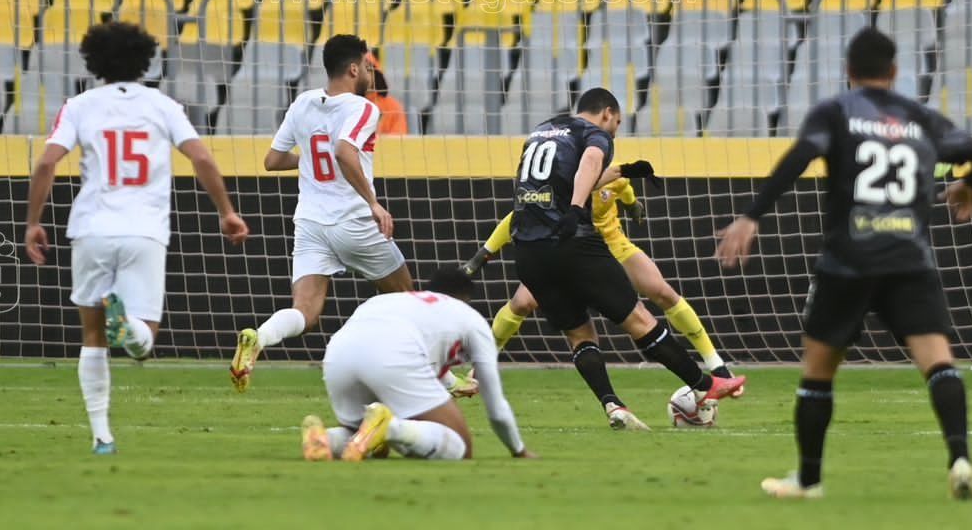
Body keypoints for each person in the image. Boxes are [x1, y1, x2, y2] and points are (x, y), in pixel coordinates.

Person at [715, 26, 972, 501]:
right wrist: (969, 183)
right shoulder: (922, 118)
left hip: (848, 261)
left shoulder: (837, 112)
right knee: (938, 362)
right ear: (895, 71)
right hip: (911, 259)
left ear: (849, 71)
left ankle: (808, 479)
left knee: (818, 370)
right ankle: (960, 457)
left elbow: (799, 158)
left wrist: (751, 216)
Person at [24, 20, 250, 455]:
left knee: (91, 338)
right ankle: (127, 326)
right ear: (145, 59)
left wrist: (34, 221)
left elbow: (46, 164)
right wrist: (226, 211)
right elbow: (201, 156)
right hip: (144, 230)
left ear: (94, 61)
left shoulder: (80, 105)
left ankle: (101, 436)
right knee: (144, 343)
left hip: (91, 228)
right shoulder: (162, 105)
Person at [509, 87, 746, 430]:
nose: (615, 130)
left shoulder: (542, 130)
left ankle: (613, 406)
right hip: (573, 243)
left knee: (579, 334)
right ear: (607, 113)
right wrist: (576, 210)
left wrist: (623, 171)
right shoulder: (595, 134)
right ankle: (707, 384)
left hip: (529, 251)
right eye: (616, 123)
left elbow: (567, 178)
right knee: (638, 317)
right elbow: (590, 163)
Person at [230, 34, 415, 391]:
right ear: (352, 69)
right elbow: (345, 152)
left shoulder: (302, 103)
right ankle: (432, 375)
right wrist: (373, 203)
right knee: (406, 299)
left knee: (306, 311)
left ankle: (260, 337)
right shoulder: (364, 108)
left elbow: (272, 161)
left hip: (311, 223)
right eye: (365, 67)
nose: (369, 74)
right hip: (353, 220)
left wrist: (311, 162)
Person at [464, 169, 737, 379]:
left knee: (661, 291)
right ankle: (482, 367)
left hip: (613, 245)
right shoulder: (563, 180)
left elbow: (625, 187)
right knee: (522, 302)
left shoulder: (612, 174)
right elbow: (516, 217)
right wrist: (484, 253)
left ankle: (716, 364)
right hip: (571, 251)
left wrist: (632, 205)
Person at [300, 268, 535, 462]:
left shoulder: (391, 300)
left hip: (337, 355)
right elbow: (495, 405)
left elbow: (425, 357)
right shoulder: (470, 318)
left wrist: (451, 383)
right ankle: (389, 427)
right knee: (461, 446)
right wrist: (518, 450)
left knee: (362, 437)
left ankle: (326, 440)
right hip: (393, 356)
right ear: (465, 299)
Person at [366, 51, 409, 137]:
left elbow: (398, 143)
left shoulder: (393, 106)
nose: (362, 75)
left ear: (376, 74)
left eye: (368, 70)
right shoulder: (343, 105)